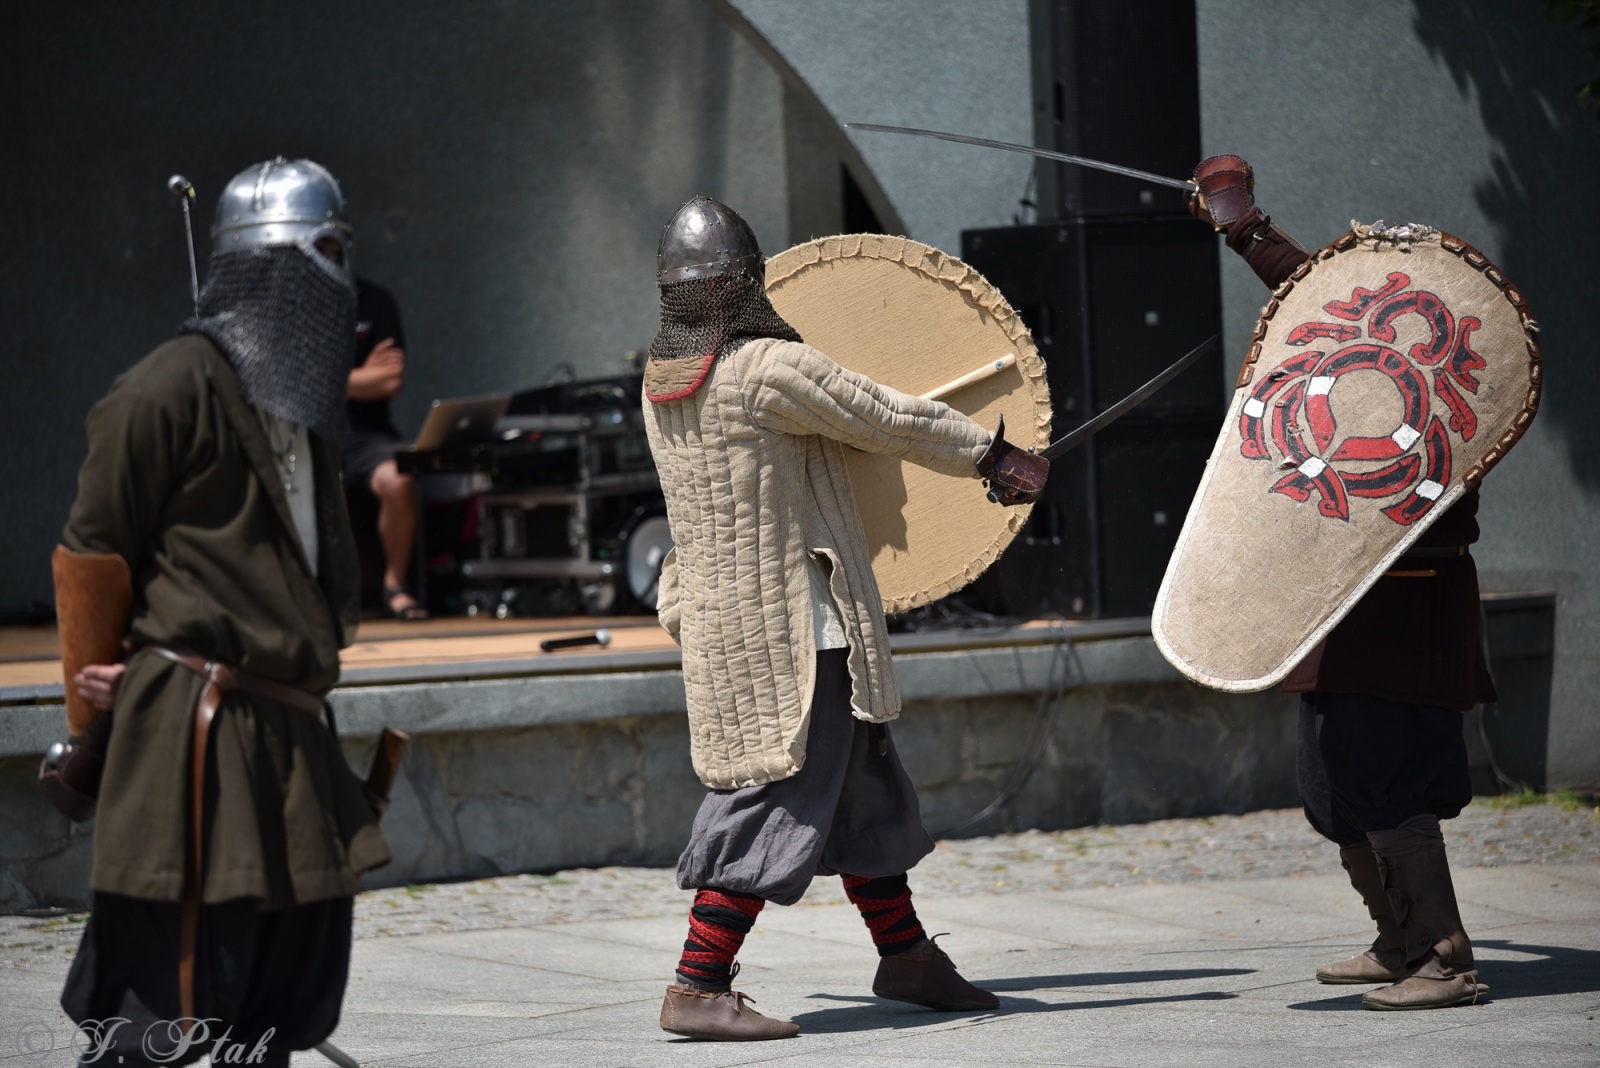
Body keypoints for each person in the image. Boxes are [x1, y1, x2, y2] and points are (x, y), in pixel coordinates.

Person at [641, 196, 1047, 1040]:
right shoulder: (763, 370)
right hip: (795, 630)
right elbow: (883, 413)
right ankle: (697, 982)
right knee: (773, 788)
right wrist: (990, 455)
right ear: (744, 284)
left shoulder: (663, 386)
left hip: (724, 624)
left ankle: (905, 957)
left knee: (862, 794)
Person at [58, 157, 391, 1064]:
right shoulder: (165, 388)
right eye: (322, 250)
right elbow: (94, 552)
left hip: (293, 736)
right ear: (269, 264)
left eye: (341, 249)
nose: (339, 271)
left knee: (287, 1000)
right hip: (194, 741)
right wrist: (94, 689)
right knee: (159, 1005)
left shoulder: (304, 403)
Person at [1189, 155, 1495, 1010]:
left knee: (1383, 772)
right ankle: (1398, 938)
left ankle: (1444, 953)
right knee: (1333, 781)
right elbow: (1318, 298)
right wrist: (1243, 225)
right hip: (1343, 597)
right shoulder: (1371, 360)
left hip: (1406, 598)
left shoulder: (1447, 387)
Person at [344, 277, 427, 620]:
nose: (329, 255)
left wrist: (326, 378)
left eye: (336, 246)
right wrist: (363, 375)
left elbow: (391, 380)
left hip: (366, 436)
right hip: (305, 432)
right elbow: (283, 382)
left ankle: (395, 585)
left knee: (399, 478)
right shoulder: (287, 300)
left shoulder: (376, 300)